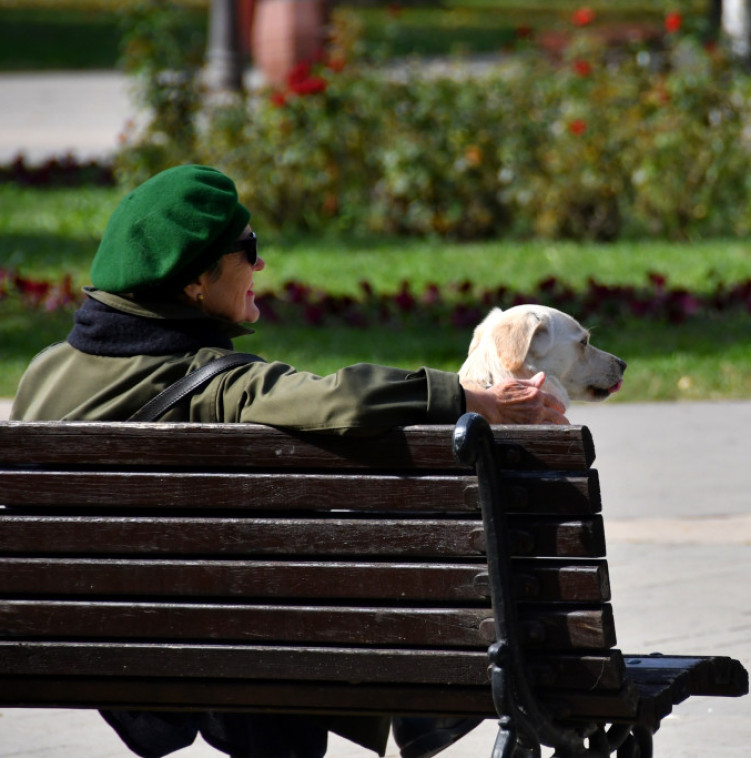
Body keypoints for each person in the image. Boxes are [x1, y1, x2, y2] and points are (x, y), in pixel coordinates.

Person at [11, 164, 568, 758]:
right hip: (212, 647)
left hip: (76, 639)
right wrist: (468, 397)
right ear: (196, 282)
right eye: (248, 250)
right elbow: (340, 401)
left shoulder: (43, 372)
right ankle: (416, 705)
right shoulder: (213, 384)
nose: (261, 265)